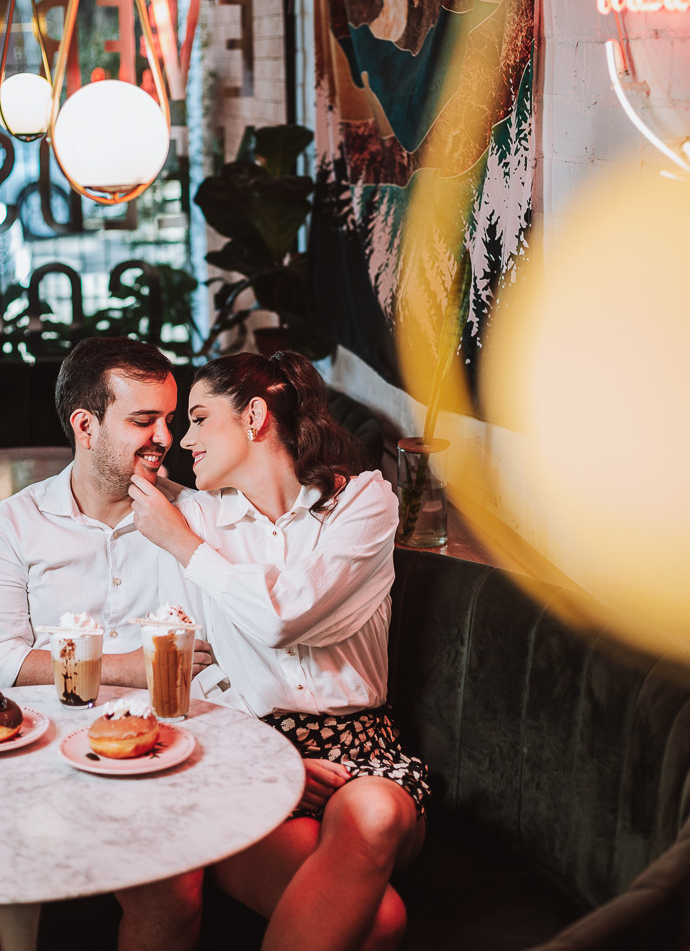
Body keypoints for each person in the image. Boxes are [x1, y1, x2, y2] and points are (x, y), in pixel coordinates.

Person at [0, 337, 213, 951]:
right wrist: (139, 667)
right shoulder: (12, 524)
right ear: (86, 425)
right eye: (143, 420)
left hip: (156, 754)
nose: (165, 438)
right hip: (30, 753)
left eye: (170, 420)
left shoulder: (197, 519)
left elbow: (218, 657)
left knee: (174, 896)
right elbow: (1, 662)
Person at [128, 350, 429, 951]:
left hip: (364, 749)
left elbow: (284, 619)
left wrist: (186, 548)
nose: (185, 441)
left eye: (199, 418)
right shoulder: (194, 517)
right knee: (383, 922)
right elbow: (196, 663)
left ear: (255, 416)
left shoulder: (364, 502)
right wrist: (269, 755)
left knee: (369, 816)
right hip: (256, 758)